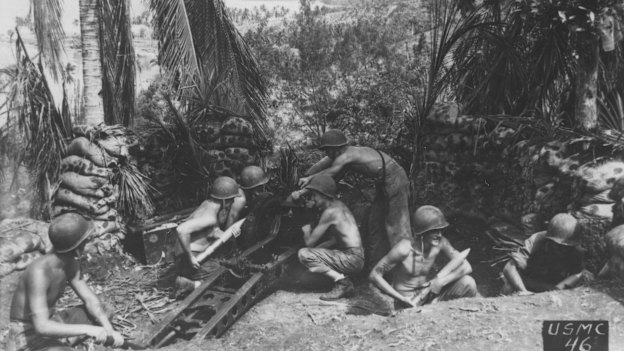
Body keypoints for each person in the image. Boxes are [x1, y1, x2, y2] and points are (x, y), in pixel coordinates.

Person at [8, 213, 124, 351]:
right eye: (86, 241)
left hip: (53, 320)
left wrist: (108, 329)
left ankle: (62, 342)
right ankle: (62, 345)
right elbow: (41, 327)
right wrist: (89, 330)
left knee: (105, 311)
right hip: (27, 336)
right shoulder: (39, 273)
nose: (88, 243)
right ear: (78, 247)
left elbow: (90, 300)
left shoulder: (70, 263)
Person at [297, 129, 411, 267]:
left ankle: (408, 271)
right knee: (375, 225)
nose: (327, 154)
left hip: (395, 177)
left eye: (327, 150)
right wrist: (305, 175)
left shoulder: (346, 155)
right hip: (383, 183)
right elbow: (321, 165)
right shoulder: (341, 153)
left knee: (396, 227)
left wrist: (305, 186)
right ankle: (377, 271)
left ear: (335, 149)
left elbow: (329, 173)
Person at [369, 206, 477, 308]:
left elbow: (466, 266)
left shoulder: (441, 243)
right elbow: (374, 275)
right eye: (434, 231)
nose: (439, 235)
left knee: (468, 283)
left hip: (429, 297)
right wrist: (401, 299)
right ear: (422, 233)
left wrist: (441, 281)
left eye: (440, 230)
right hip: (408, 304)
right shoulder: (403, 249)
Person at [296, 175, 365, 300]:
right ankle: (344, 278)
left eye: (314, 195)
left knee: (303, 254)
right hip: (356, 257)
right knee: (306, 278)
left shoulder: (330, 213)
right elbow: (334, 240)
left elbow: (309, 243)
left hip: (351, 259)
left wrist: (306, 230)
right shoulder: (338, 205)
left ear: (323, 194)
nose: (313, 199)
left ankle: (343, 283)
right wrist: (317, 255)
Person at [174, 176, 242, 296]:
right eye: (231, 199)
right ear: (225, 200)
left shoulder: (208, 204)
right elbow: (181, 230)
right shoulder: (209, 217)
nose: (232, 203)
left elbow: (210, 231)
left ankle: (188, 276)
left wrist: (229, 234)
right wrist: (191, 257)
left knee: (225, 264)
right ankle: (189, 284)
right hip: (188, 260)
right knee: (226, 275)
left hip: (183, 256)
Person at [501, 213, 591, 295]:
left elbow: (577, 273)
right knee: (509, 287)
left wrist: (558, 289)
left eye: (567, 247)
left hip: (550, 286)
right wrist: (524, 291)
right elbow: (509, 268)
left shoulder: (576, 250)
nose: (563, 250)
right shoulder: (537, 241)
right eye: (559, 245)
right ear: (550, 240)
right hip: (528, 281)